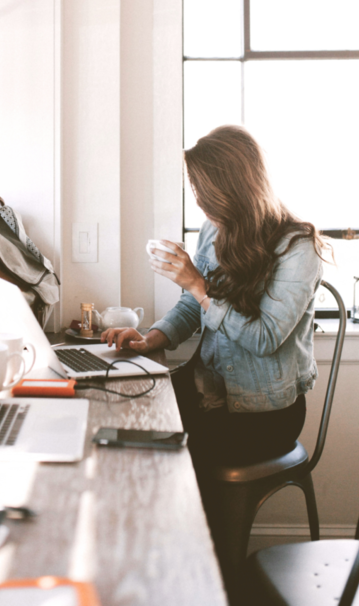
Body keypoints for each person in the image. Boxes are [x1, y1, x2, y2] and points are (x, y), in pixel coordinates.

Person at [101, 125, 327, 585]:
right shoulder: (213, 230)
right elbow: (192, 307)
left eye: (204, 191)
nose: (199, 202)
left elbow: (264, 338)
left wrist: (197, 286)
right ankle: (137, 565)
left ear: (234, 187)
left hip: (265, 412)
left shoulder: (297, 248)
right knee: (120, 423)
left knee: (172, 460)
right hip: (210, 391)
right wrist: (151, 339)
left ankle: (202, 578)